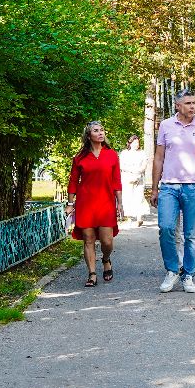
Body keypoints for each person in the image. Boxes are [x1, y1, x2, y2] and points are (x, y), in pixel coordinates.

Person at [148, 90, 195, 294]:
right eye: (188, 103)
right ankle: (172, 270)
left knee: (191, 234)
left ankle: (188, 274)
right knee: (166, 228)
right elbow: (158, 158)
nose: (192, 106)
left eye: (194, 102)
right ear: (177, 106)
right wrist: (154, 188)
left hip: (194, 186)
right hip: (169, 186)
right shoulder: (166, 125)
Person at [66, 121, 122, 287]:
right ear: (88, 135)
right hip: (86, 203)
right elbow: (73, 181)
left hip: (106, 203)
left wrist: (120, 203)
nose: (100, 133)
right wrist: (70, 203)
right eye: (96, 130)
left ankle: (106, 259)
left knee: (107, 241)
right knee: (88, 239)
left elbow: (116, 181)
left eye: (102, 130)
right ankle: (92, 273)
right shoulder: (80, 157)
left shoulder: (112, 155)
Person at [119, 136, 152, 226]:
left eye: (137, 143)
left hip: (139, 178)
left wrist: (138, 172)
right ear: (130, 143)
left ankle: (139, 218)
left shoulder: (142, 153)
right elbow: (121, 165)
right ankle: (128, 217)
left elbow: (144, 165)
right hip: (127, 177)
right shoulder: (124, 153)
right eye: (134, 143)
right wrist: (131, 171)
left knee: (139, 197)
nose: (136, 144)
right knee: (127, 196)